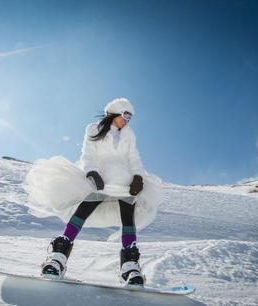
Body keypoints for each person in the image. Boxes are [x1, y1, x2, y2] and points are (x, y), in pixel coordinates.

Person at [25, 98, 163, 286]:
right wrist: (91, 171)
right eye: (125, 115)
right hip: (101, 180)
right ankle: (57, 259)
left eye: (130, 118)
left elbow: (133, 157)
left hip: (124, 182)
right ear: (114, 112)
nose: (127, 120)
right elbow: (87, 154)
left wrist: (138, 176)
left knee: (128, 219)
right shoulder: (94, 129)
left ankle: (129, 268)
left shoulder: (129, 135)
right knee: (82, 213)